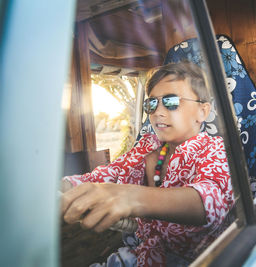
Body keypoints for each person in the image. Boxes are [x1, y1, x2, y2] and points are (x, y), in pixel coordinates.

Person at [61, 61, 235, 266]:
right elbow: (104, 176)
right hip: (137, 254)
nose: (157, 112)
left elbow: (210, 200)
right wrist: (62, 187)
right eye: (151, 103)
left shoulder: (214, 149)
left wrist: (132, 196)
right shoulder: (146, 147)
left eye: (171, 101)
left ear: (202, 111)